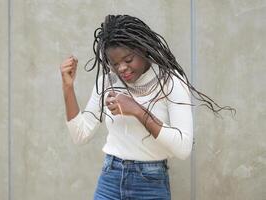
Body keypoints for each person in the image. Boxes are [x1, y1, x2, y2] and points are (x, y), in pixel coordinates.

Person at [60, 14, 234, 200]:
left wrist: (136, 110)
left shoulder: (169, 82)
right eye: (115, 63)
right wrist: (68, 87)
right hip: (110, 179)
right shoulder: (107, 82)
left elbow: (183, 148)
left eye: (128, 60)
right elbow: (80, 135)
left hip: (150, 183)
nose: (122, 69)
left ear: (142, 49)